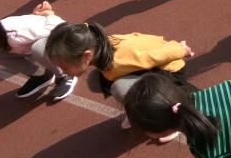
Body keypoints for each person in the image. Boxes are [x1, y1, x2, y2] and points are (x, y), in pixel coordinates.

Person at [45, 20, 192, 137]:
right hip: (146, 70)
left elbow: (155, 56)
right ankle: (139, 108)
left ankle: (167, 118)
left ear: (87, 55)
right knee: (94, 81)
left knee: (120, 88)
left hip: (169, 73)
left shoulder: (120, 59)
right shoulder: (100, 46)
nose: (63, 71)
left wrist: (180, 49)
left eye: (65, 67)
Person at [0, 0, 76, 101]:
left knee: (38, 48)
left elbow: (54, 30)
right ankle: (41, 75)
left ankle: (64, 75)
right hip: (37, 43)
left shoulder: (14, 34)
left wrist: (49, 14)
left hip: (63, 37)